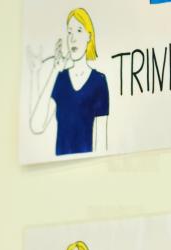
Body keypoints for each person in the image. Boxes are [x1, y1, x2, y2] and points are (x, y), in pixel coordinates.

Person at [29, 8, 109, 156]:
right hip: (60, 164)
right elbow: (37, 125)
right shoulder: (61, 78)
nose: (72, 38)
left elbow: (102, 140)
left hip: (87, 165)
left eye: (79, 31)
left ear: (89, 36)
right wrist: (54, 71)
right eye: (70, 32)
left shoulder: (99, 81)